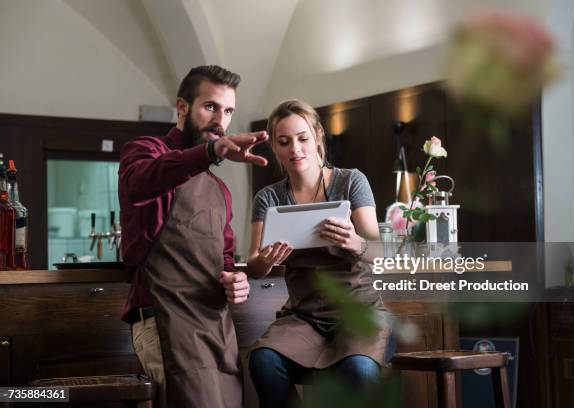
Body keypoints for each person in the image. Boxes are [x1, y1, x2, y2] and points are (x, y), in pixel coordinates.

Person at [118, 65, 268, 408]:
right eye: (211, 107)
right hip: (164, 325)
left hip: (216, 329)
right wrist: (212, 152)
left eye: (228, 111)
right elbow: (139, 184)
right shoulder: (145, 150)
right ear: (182, 106)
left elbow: (225, 259)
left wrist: (236, 280)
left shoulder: (220, 190)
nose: (220, 120)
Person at [247, 99, 394, 408]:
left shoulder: (351, 181)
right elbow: (254, 266)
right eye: (284, 142)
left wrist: (355, 242)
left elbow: (378, 253)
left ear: (317, 136)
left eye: (302, 138)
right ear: (274, 146)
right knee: (263, 360)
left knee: (359, 369)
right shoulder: (269, 197)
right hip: (304, 317)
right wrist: (267, 259)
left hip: (359, 313)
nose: (295, 149)